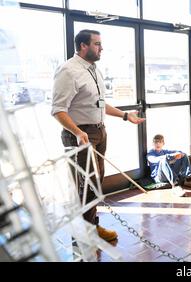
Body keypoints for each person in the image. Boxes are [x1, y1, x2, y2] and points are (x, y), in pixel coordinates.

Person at [51, 29, 145, 242]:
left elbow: (99, 104)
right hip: (79, 135)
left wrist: (124, 115)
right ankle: (85, 234)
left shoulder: (93, 69)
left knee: (95, 183)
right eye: (97, 44)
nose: (101, 48)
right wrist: (77, 132)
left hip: (99, 132)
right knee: (85, 186)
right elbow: (58, 110)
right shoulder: (68, 71)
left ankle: (90, 227)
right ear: (83, 45)